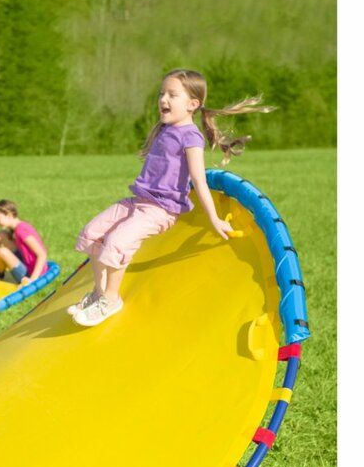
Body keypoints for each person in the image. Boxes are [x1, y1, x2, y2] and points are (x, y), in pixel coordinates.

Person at [70, 68, 274, 327]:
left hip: (160, 209)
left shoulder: (191, 137)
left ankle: (111, 299)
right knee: (92, 233)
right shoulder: (164, 129)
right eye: (161, 93)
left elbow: (199, 180)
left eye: (172, 95)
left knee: (117, 241)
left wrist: (214, 218)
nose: (163, 99)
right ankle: (98, 294)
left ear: (192, 104)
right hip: (137, 201)